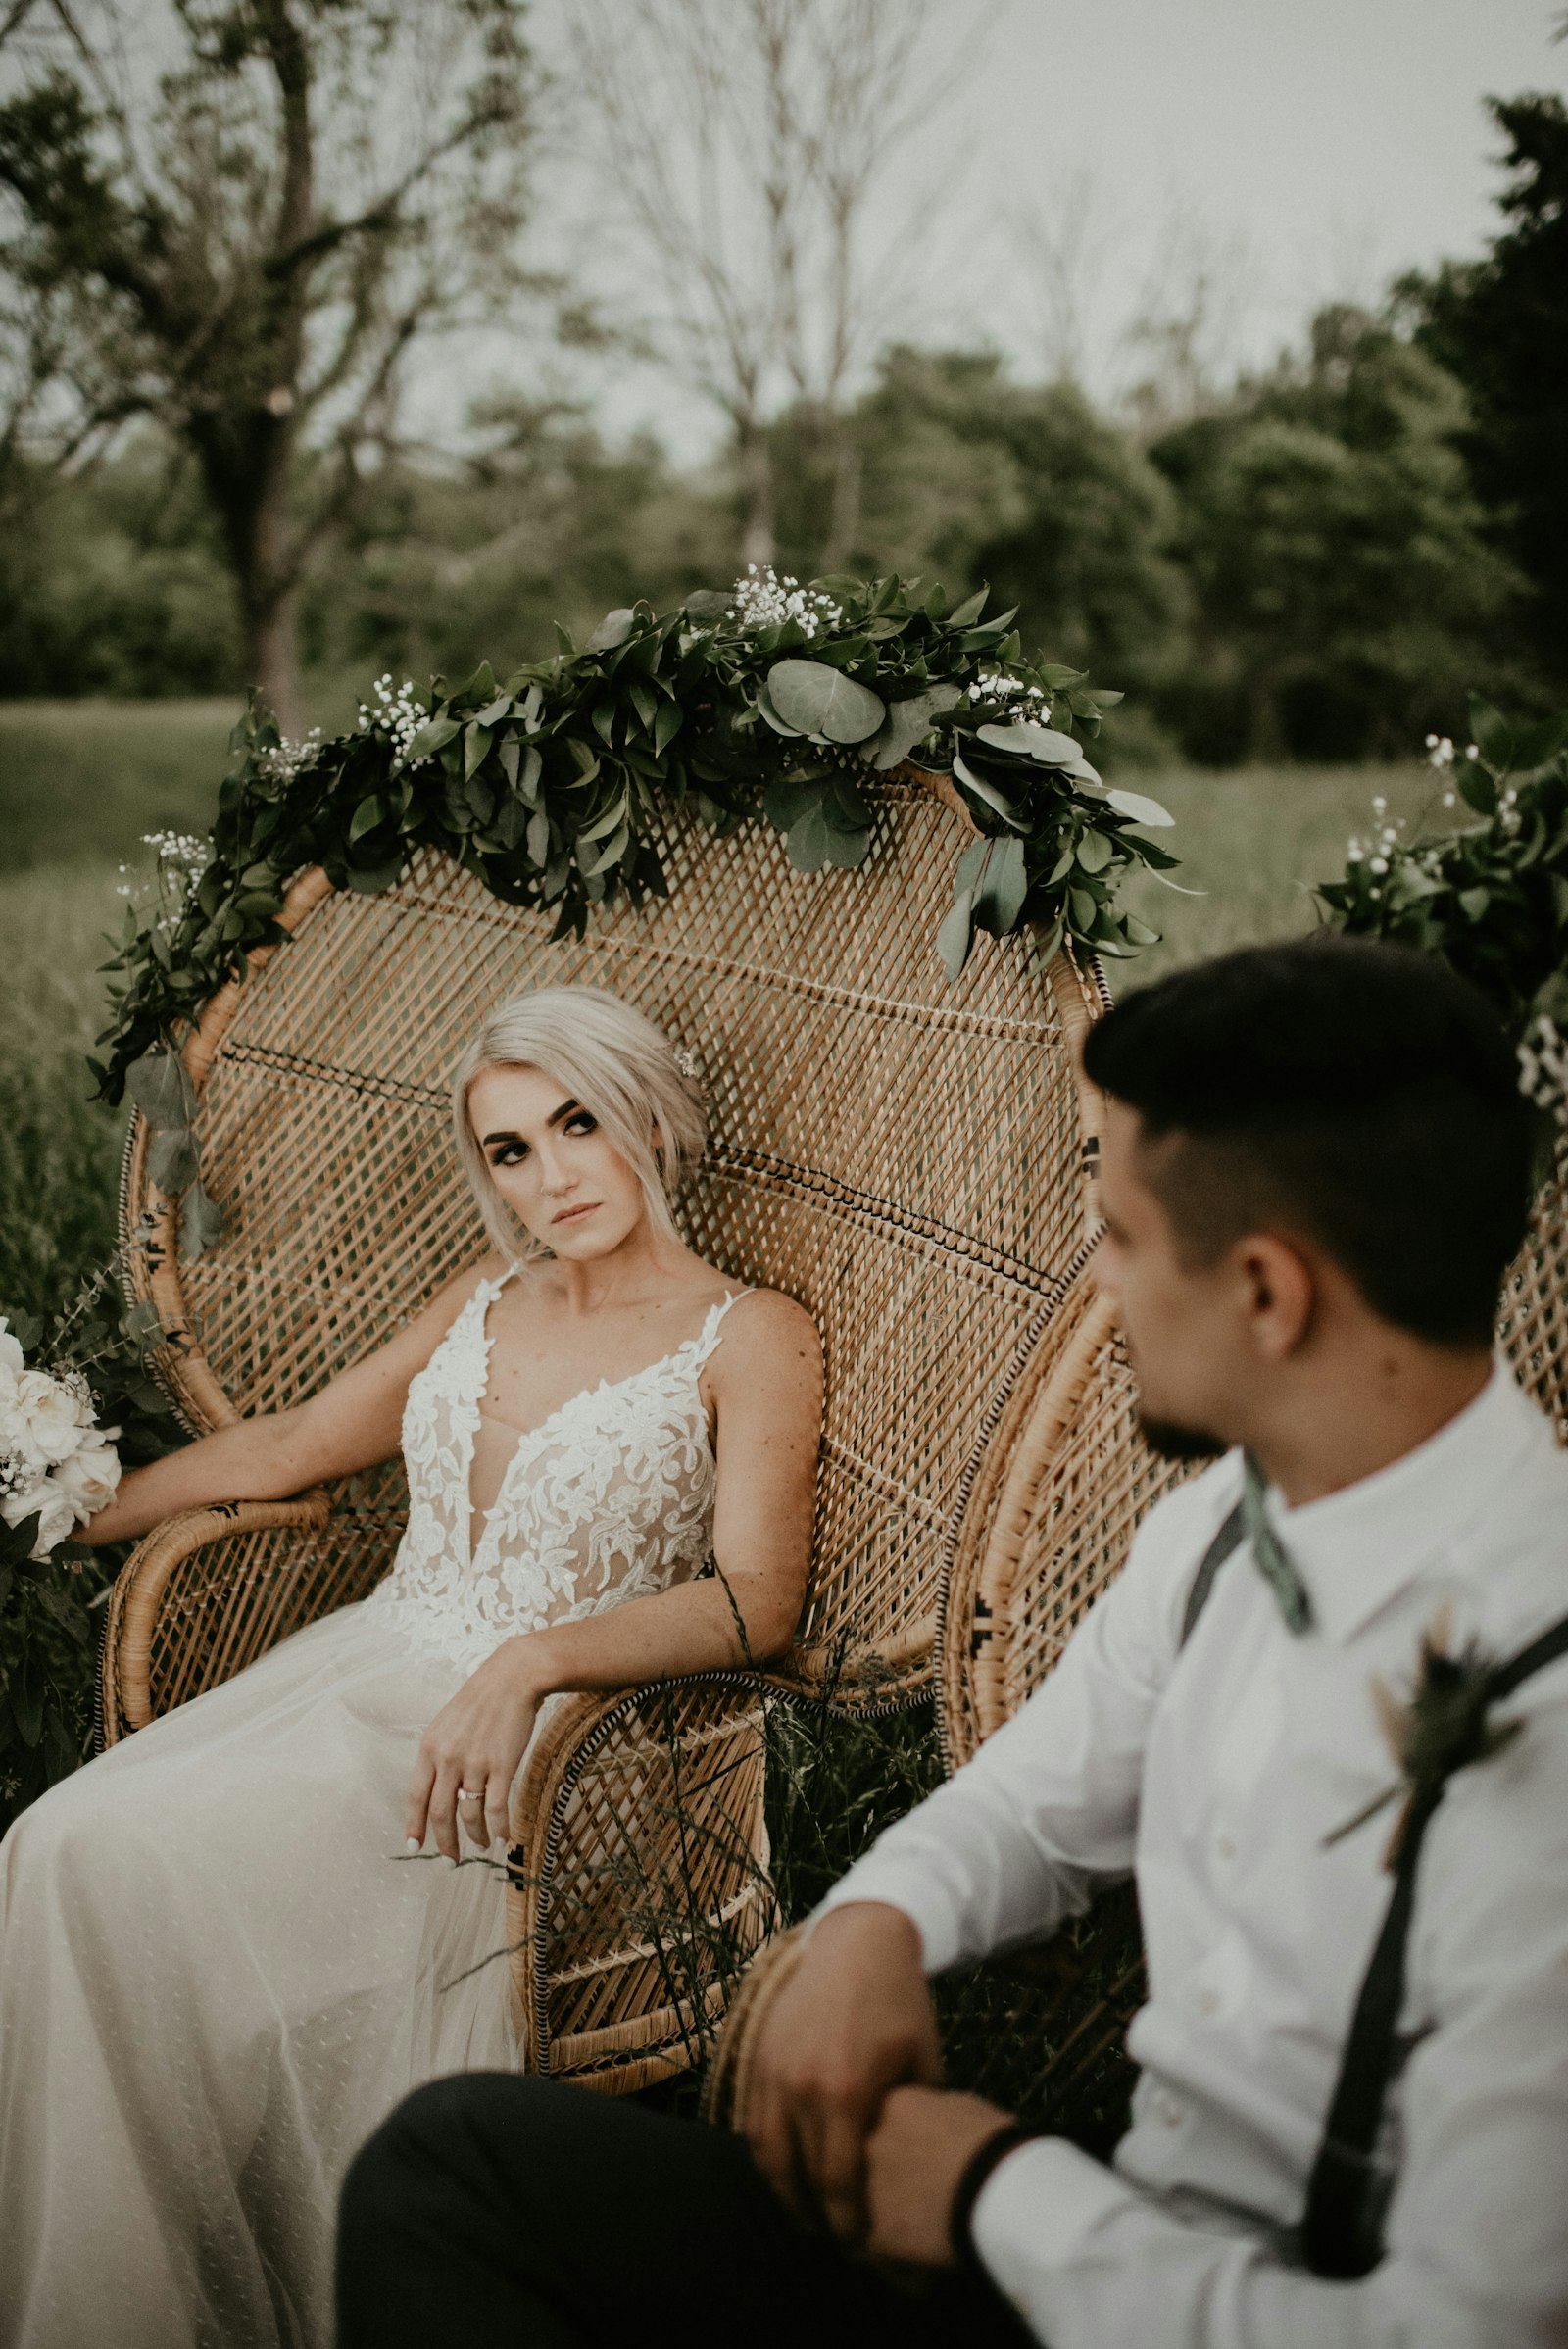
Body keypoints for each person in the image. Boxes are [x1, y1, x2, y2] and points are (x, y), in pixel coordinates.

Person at [338, 937, 1568, 2349]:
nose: (1092, 1289)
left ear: (1269, 1293)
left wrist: (993, 2189)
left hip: (1179, 2292)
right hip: (1073, 2251)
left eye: (1116, 1234)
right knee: (452, 2169)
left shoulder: (1546, 1706)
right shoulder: (1224, 1527)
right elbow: (1032, 1801)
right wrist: (881, 1918)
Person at [0, 985, 821, 2349]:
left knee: (114, 1865)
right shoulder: (483, 1296)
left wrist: (535, 1660)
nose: (550, 1175)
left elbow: (758, 1599)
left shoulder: (751, 1333)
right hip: (359, 1673)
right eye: (509, 1148)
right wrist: (64, 1502)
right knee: (57, 1843)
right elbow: (289, 1448)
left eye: (576, 1123)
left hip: (544, 1740)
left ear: (646, 1117)